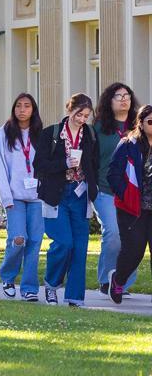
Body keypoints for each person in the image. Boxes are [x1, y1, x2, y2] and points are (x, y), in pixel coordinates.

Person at [33, 93, 99, 307]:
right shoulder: (50, 134)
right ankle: (51, 285)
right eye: (79, 114)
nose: (82, 119)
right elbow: (39, 165)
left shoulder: (89, 134)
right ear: (70, 110)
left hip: (81, 195)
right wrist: (64, 163)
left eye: (86, 116)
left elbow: (95, 163)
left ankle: (74, 297)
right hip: (56, 194)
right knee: (63, 243)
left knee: (80, 248)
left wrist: (93, 186)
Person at [0, 93, 44, 300]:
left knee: (34, 242)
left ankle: (30, 288)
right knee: (19, 239)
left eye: (27, 106)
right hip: (15, 196)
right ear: (14, 109)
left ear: (33, 110)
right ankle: (8, 275)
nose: (22, 110)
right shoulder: (3, 133)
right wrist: (6, 198)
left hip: (38, 197)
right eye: (19, 106)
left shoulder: (42, 134)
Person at [93, 82, 139, 294]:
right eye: (118, 96)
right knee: (113, 233)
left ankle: (120, 283)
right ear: (108, 101)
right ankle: (106, 279)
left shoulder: (139, 127)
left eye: (127, 95)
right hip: (105, 190)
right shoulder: (99, 129)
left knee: (131, 238)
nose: (124, 99)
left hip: (133, 194)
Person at [107, 104, 152, 304]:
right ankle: (118, 279)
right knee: (134, 251)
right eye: (150, 121)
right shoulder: (128, 144)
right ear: (141, 123)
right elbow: (113, 174)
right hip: (133, 208)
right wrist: (125, 195)